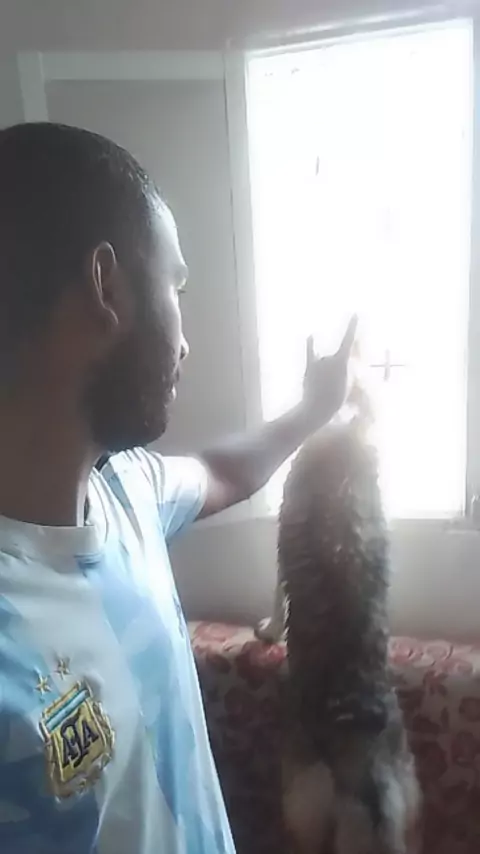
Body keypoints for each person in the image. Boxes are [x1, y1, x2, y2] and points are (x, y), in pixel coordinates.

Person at [0, 122, 356, 854]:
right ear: (106, 286)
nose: (186, 341)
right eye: (176, 286)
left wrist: (314, 409)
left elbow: (227, 471)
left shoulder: (128, 494)